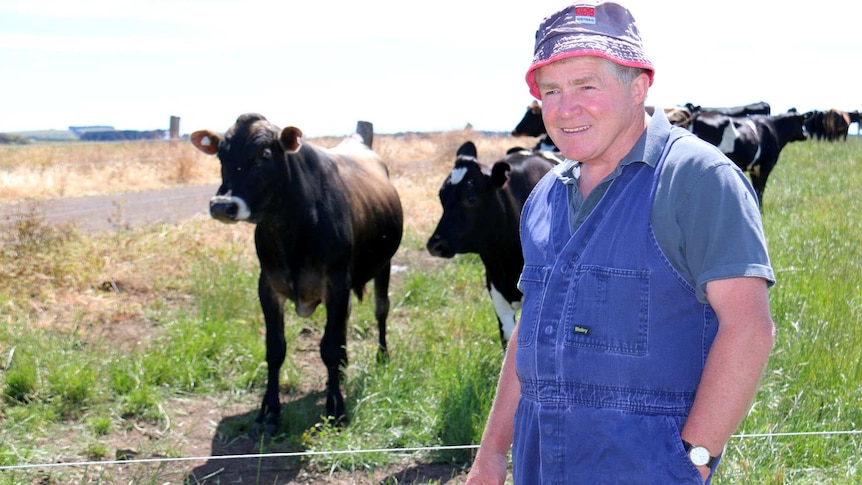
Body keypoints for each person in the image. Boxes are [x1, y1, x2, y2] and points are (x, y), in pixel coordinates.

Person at [465, 2, 776, 484]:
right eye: (551, 91)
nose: (566, 109)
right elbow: (533, 329)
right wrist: (490, 455)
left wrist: (692, 461)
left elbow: (749, 328)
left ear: (639, 86)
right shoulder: (546, 194)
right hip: (540, 466)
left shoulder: (696, 180)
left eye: (587, 86)